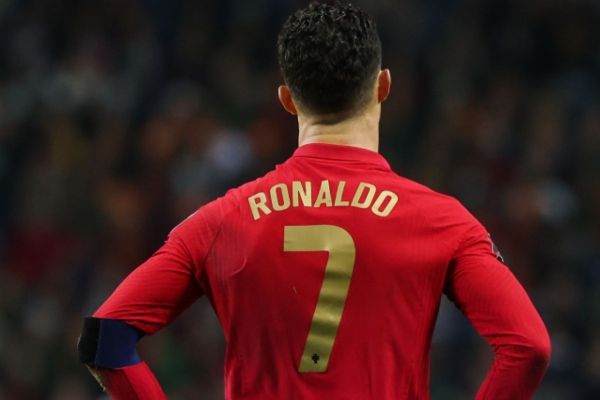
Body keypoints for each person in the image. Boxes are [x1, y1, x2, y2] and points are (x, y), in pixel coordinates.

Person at [78, 2, 551, 399]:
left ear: (287, 99)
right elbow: (528, 346)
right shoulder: (441, 221)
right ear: (383, 86)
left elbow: (105, 339)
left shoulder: (220, 221)